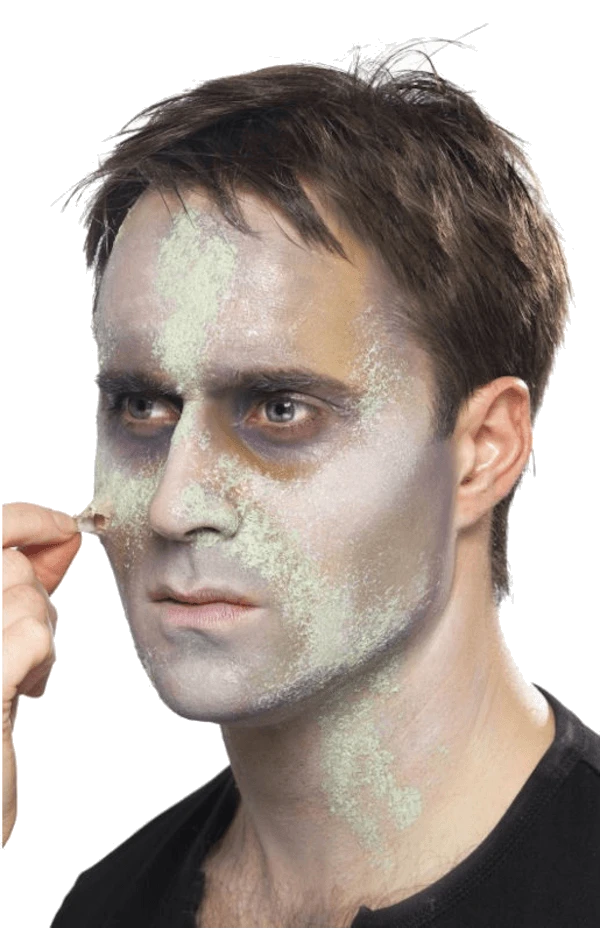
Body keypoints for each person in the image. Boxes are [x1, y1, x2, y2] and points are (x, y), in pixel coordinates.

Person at [3, 56, 597, 928]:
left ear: (482, 451)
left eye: (279, 409)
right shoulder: (107, 908)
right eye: (141, 405)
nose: (171, 506)